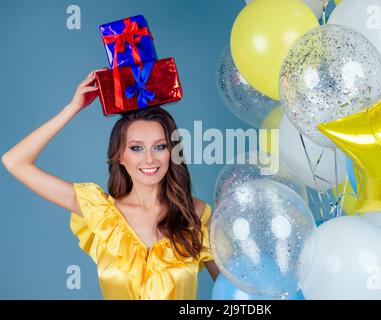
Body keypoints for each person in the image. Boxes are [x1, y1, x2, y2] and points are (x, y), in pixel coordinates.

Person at [2, 70, 220, 299]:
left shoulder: (197, 215)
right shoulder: (101, 213)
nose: (149, 159)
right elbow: (15, 161)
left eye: (160, 146)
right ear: (120, 156)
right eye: (136, 148)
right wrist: (72, 108)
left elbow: (234, 292)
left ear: (172, 153)